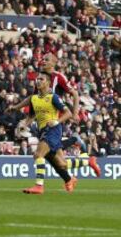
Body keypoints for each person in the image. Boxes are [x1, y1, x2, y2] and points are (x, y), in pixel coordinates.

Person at [8, 72, 101, 194]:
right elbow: (31, 116)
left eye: (41, 79)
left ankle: (39, 186)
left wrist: (57, 121)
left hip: (53, 131)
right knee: (61, 164)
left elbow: (68, 112)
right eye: (37, 79)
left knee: (38, 154)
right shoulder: (34, 99)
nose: (38, 81)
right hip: (43, 132)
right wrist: (23, 124)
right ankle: (87, 161)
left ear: (48, 83)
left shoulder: (53, 97)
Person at [9, 53, 86, 186]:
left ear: (54, 62)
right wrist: (24, 119)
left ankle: (40, 185)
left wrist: (75, 113)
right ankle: (80, 165)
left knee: (41, 154)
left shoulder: (59, 77)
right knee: (58, 161)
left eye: (46, 60)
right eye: (42, 59)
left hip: (54, 120)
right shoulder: (41, 78)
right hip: (43, 122)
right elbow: (34, 101)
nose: (43, 61)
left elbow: (74, 94)